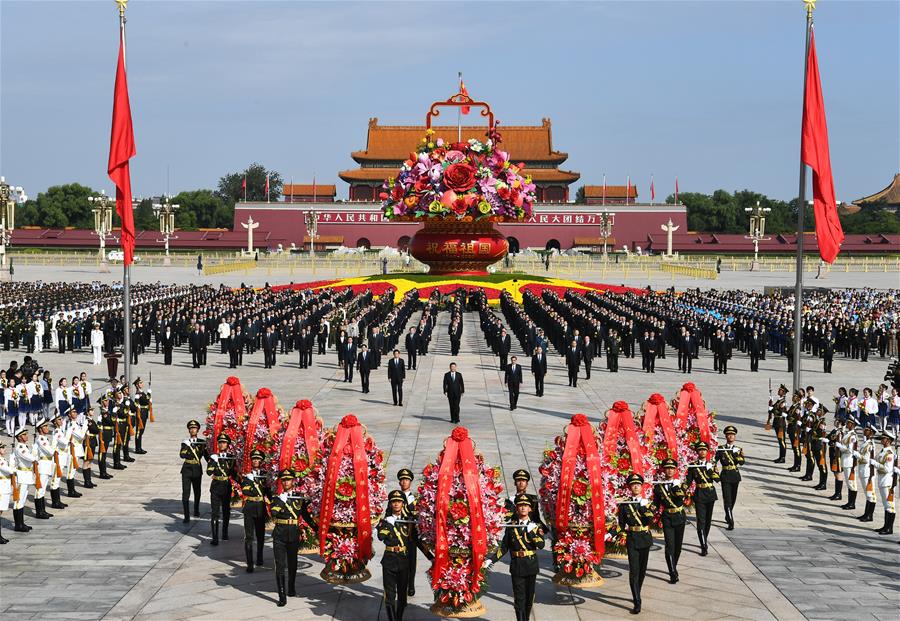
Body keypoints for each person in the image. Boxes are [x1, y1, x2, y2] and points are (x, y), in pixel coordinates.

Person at [487, 493, 545, 621]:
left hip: (530, 565)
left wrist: (531, 532)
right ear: (517, 508)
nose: (523, 508)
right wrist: (491, 559)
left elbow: (541, 545)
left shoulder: (535, 526)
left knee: (529, 598)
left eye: (526, 505)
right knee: (519, 599)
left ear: (530, 509)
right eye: (520, 505)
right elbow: (504, 547)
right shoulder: (512, 526)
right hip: (517, 565)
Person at [270, 469, 317, 606]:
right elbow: (273, 512)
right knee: (280, 565)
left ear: (293, 481)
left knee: (292, 563)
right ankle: (282, 595)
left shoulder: (298, 498)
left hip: (293, 534)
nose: (286, 482)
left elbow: (306, 516)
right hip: (279, 534)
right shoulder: (277, 498)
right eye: (283, 480)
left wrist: (316, 528)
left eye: (288, 480)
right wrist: (281, 502)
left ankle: (291, 587)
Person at [619, 473, 654, 615]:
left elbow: (650, 521)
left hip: (644, 538)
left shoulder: (647, 503)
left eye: (638, 485)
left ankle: (636, 591)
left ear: (642, 486)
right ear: (629, 487)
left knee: (642, 570)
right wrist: (619, 535)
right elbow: (621, 524)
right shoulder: (625, 505)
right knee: (634, 571)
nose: (636, 487)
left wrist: (644, 508)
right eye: (633, 485)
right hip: (632, 538)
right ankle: (637, 600)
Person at [378, 490, 415, 621]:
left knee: (402, 597)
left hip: (403, 561)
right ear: (390, 504)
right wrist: (389, 524)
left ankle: (398, 618)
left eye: (399, 501)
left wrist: (431, 557)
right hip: (389, 561)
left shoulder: (408, 522)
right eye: (394, 502)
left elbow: (416, 541)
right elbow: (381, 536)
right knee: (389, 595)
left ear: (403, 504)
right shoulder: (385, 521)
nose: (396, 504)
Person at [653, 459, 686, 583]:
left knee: (678, 547)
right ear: (664, 470)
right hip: (667, 517)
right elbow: (656, 504)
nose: (670, 470)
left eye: (672, 468)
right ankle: (672, 572)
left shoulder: (681, 483)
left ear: (675, 470)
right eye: (667, 468)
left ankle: (674, 566)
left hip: (679, 516)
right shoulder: (658, 487)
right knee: (669, 546)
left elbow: (681, 498)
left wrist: (677, 487)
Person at [684, 441, 718, 556]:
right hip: (699, 495)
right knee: (701, 521)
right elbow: (688, 481)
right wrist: (679, 489)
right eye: (700, 450)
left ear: (707, 452)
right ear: (697, 452)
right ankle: (703, 545)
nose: (702, 452)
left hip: (710, 494)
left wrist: (710, 470)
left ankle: (704, 538)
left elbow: (717, 479)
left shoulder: (711, 464)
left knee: (708, 521)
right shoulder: (693, 465)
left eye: (704, 450)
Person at [240, 449, 271, 572]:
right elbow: (246, 490)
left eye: (258, 459)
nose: (256, 461)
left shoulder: (265, 475)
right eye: (254, 459)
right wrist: (252, 482)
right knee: (248, 536)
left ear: (261, 461)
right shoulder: (247, 475)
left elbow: (268, 492)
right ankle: (249, 563)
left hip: (261, 507)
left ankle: (259, 557)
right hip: (249, 507)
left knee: (260, 535)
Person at [207, 432, 237, 546]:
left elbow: (234, 474)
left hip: (226, 486)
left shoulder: (231, 458)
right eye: (220, 443)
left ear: (228, 445)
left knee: (226, 511)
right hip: (215, 486)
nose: (222, 445)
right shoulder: (214, 457)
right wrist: (214, 462)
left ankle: (224, 533)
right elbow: (209, 472)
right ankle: (215, 537)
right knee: (215, 512)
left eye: (224, 443)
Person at [716, 425, 744, 530]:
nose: (731, 436)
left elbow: (742, 462)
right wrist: (714, 470)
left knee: (733, 499)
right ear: (726, 436)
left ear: (735, 437)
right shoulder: (721, 449)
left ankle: (728, 513)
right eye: (729, 435)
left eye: (732, 435)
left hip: (735, 476)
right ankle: (731, 520)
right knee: (727, 499)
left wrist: (737, 454)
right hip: (725, 475)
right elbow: (714, 461)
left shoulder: (738, 449)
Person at [180, 420, 206, 524]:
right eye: (191, 428)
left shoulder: (201, 443)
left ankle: (196, 509)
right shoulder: (185, 442)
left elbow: (206, 456)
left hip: (196, 468)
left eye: (194, 428)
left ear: (198, 430)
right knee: (186, 492)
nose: (192, 430)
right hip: (186, 469)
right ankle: (186, 515)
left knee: (197, 491)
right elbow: (182, 455)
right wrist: (186, 446)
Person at [11, 427, 34, 532]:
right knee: (18, 501)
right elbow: (31, 458)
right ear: (20, 437)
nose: (27, 436)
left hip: (26, 475)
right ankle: (18, 525)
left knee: (23, 500)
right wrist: (35, 457)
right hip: (21, 476)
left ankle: (21, 523)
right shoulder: (20, 448)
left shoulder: (24, 446)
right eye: (24, 435)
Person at [873, 430, 895, 535]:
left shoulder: (889, 454)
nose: (882, 440)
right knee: (886, 505)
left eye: (884, 438)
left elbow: (887, 469)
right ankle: (885, 526)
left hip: (887, 482)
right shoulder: (883, 451)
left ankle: (889, 528)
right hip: (882, 480)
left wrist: (875, 464)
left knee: (889, 505)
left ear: (888, 440)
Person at [836, 417, 859, 510]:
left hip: (849, 461)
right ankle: (850, 502)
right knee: (849, 483)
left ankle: (852, 503)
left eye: (849, 423)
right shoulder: (848, 433)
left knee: (851, 483)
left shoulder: (852, 436)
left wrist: (840, 446)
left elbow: (850, 450)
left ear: (852, 425)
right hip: (845, 460)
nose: (847, 424)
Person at [857, 424, 878, 522]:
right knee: (867, 493)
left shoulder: (870, 445)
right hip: (863, 470)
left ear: (871, 433)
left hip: (867, 471)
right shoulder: (866, 443)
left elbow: (866, 459)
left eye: (867, 430)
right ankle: (866, 513)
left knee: (870, 494)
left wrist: (857, 454)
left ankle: (870, 515)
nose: (864, 431)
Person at [766, 384, 788, 463]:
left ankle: (783, 457)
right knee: (779, 441)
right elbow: (774, 409)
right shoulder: (779, 400)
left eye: (780, 390)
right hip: (777, 422)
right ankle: (780, 456)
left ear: (783, 392)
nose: (778, 391)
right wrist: (771, 405)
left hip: (780, 423)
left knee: (782, 441)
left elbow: (780, 412)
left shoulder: (783, 402)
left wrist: (772, 409)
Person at [0, 441, 14, 543]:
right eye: (2, 448)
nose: (4, 449)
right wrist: (14, 467)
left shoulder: (2, 459)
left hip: (4, 488)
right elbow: (9, 471)